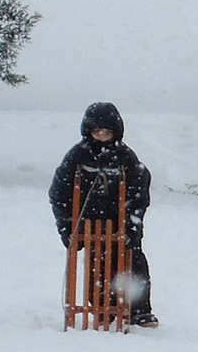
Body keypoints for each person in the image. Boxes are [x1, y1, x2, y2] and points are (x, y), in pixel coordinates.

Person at [48, 102, 157, 328]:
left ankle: (138, 310)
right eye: (97, 131)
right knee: (97, 263)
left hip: (120, 221)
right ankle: (102, 307)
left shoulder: (126, 157)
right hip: (89, 222)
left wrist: (132, 226)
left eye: (107, 132)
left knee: (131, 260)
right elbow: (59, 192)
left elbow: (138, 192)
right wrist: (67, 226)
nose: (102, 136)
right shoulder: (77, 156)